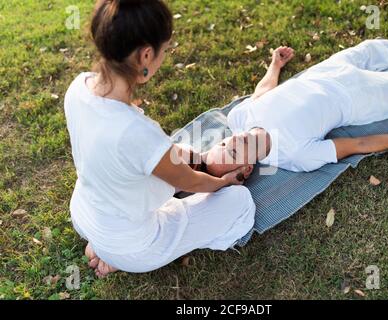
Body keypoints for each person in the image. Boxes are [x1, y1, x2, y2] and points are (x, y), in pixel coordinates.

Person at [64, 0, 255, 277]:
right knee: (239, 201)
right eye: (165, 50)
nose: (164, 57)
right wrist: (223, 183)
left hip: (85, 213)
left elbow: (142, 155)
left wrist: (195, 158)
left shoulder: (78, 86)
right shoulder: (136, 132)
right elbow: (190, 181)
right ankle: (114, 255)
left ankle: (104, 245)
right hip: (133, 245)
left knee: (178, 154)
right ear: (145, 56)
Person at [200, 10, 388, 177]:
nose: (232, 141)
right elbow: (358, 144)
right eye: (232, 151)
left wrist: (274, 65)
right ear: (247, 167)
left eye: (223, 142)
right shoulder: (295, 155)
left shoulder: (238, 118)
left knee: (367, 51)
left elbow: (263, 92)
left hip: (323, 73)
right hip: (358, 98)